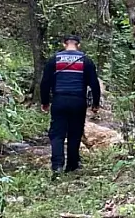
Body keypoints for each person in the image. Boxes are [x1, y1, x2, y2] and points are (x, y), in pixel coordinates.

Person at [39, 34, 101, 174]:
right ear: (78, 45)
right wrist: (95, 103)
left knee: (57, 134)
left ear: (64, 44)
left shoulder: (54, 59)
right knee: (75, 133)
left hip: (59, 100)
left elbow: (45, 82)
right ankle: (72, 165)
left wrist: (44, 102)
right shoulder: (85, 60)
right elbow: (94, 84)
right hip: (78, 101)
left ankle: (57, 166)